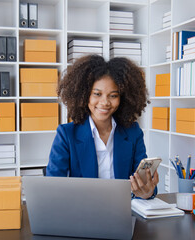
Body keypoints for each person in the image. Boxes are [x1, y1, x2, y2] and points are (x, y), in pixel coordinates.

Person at [46, 55, 158, 199]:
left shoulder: (133, 133)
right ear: (84, 95)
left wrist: (147, 192)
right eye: (97, 94)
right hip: (82, 213)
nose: (104, 102)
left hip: (122, 212)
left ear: (123, 98)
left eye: (113, 96)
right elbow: (52, 187)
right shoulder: (66, 134)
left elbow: (144, 183)